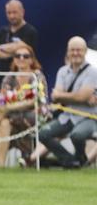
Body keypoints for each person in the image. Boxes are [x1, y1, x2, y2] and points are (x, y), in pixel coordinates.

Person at [37, 36, 97, 168]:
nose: (75, 53)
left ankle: (80, 159)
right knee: (43, 134)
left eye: (79, 50)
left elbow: (80, 97)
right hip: (67, 116)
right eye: (72, 50)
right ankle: (70, 161)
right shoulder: (62, 71)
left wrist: (63, 95)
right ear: (68, 52)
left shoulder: (92, 72)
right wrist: (78, 97)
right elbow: (55, 97)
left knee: (77, 135)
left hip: (88, 117)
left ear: (85, 51)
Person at [0, 0, 39, 77]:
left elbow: (21, 47)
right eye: (9, 13)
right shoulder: (2, 31)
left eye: (15, 12)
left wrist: (0, 47)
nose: (12, 16)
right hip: (2, 75)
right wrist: (12, 55)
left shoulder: (30, 31)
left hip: (23, 76)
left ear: (22, 12)